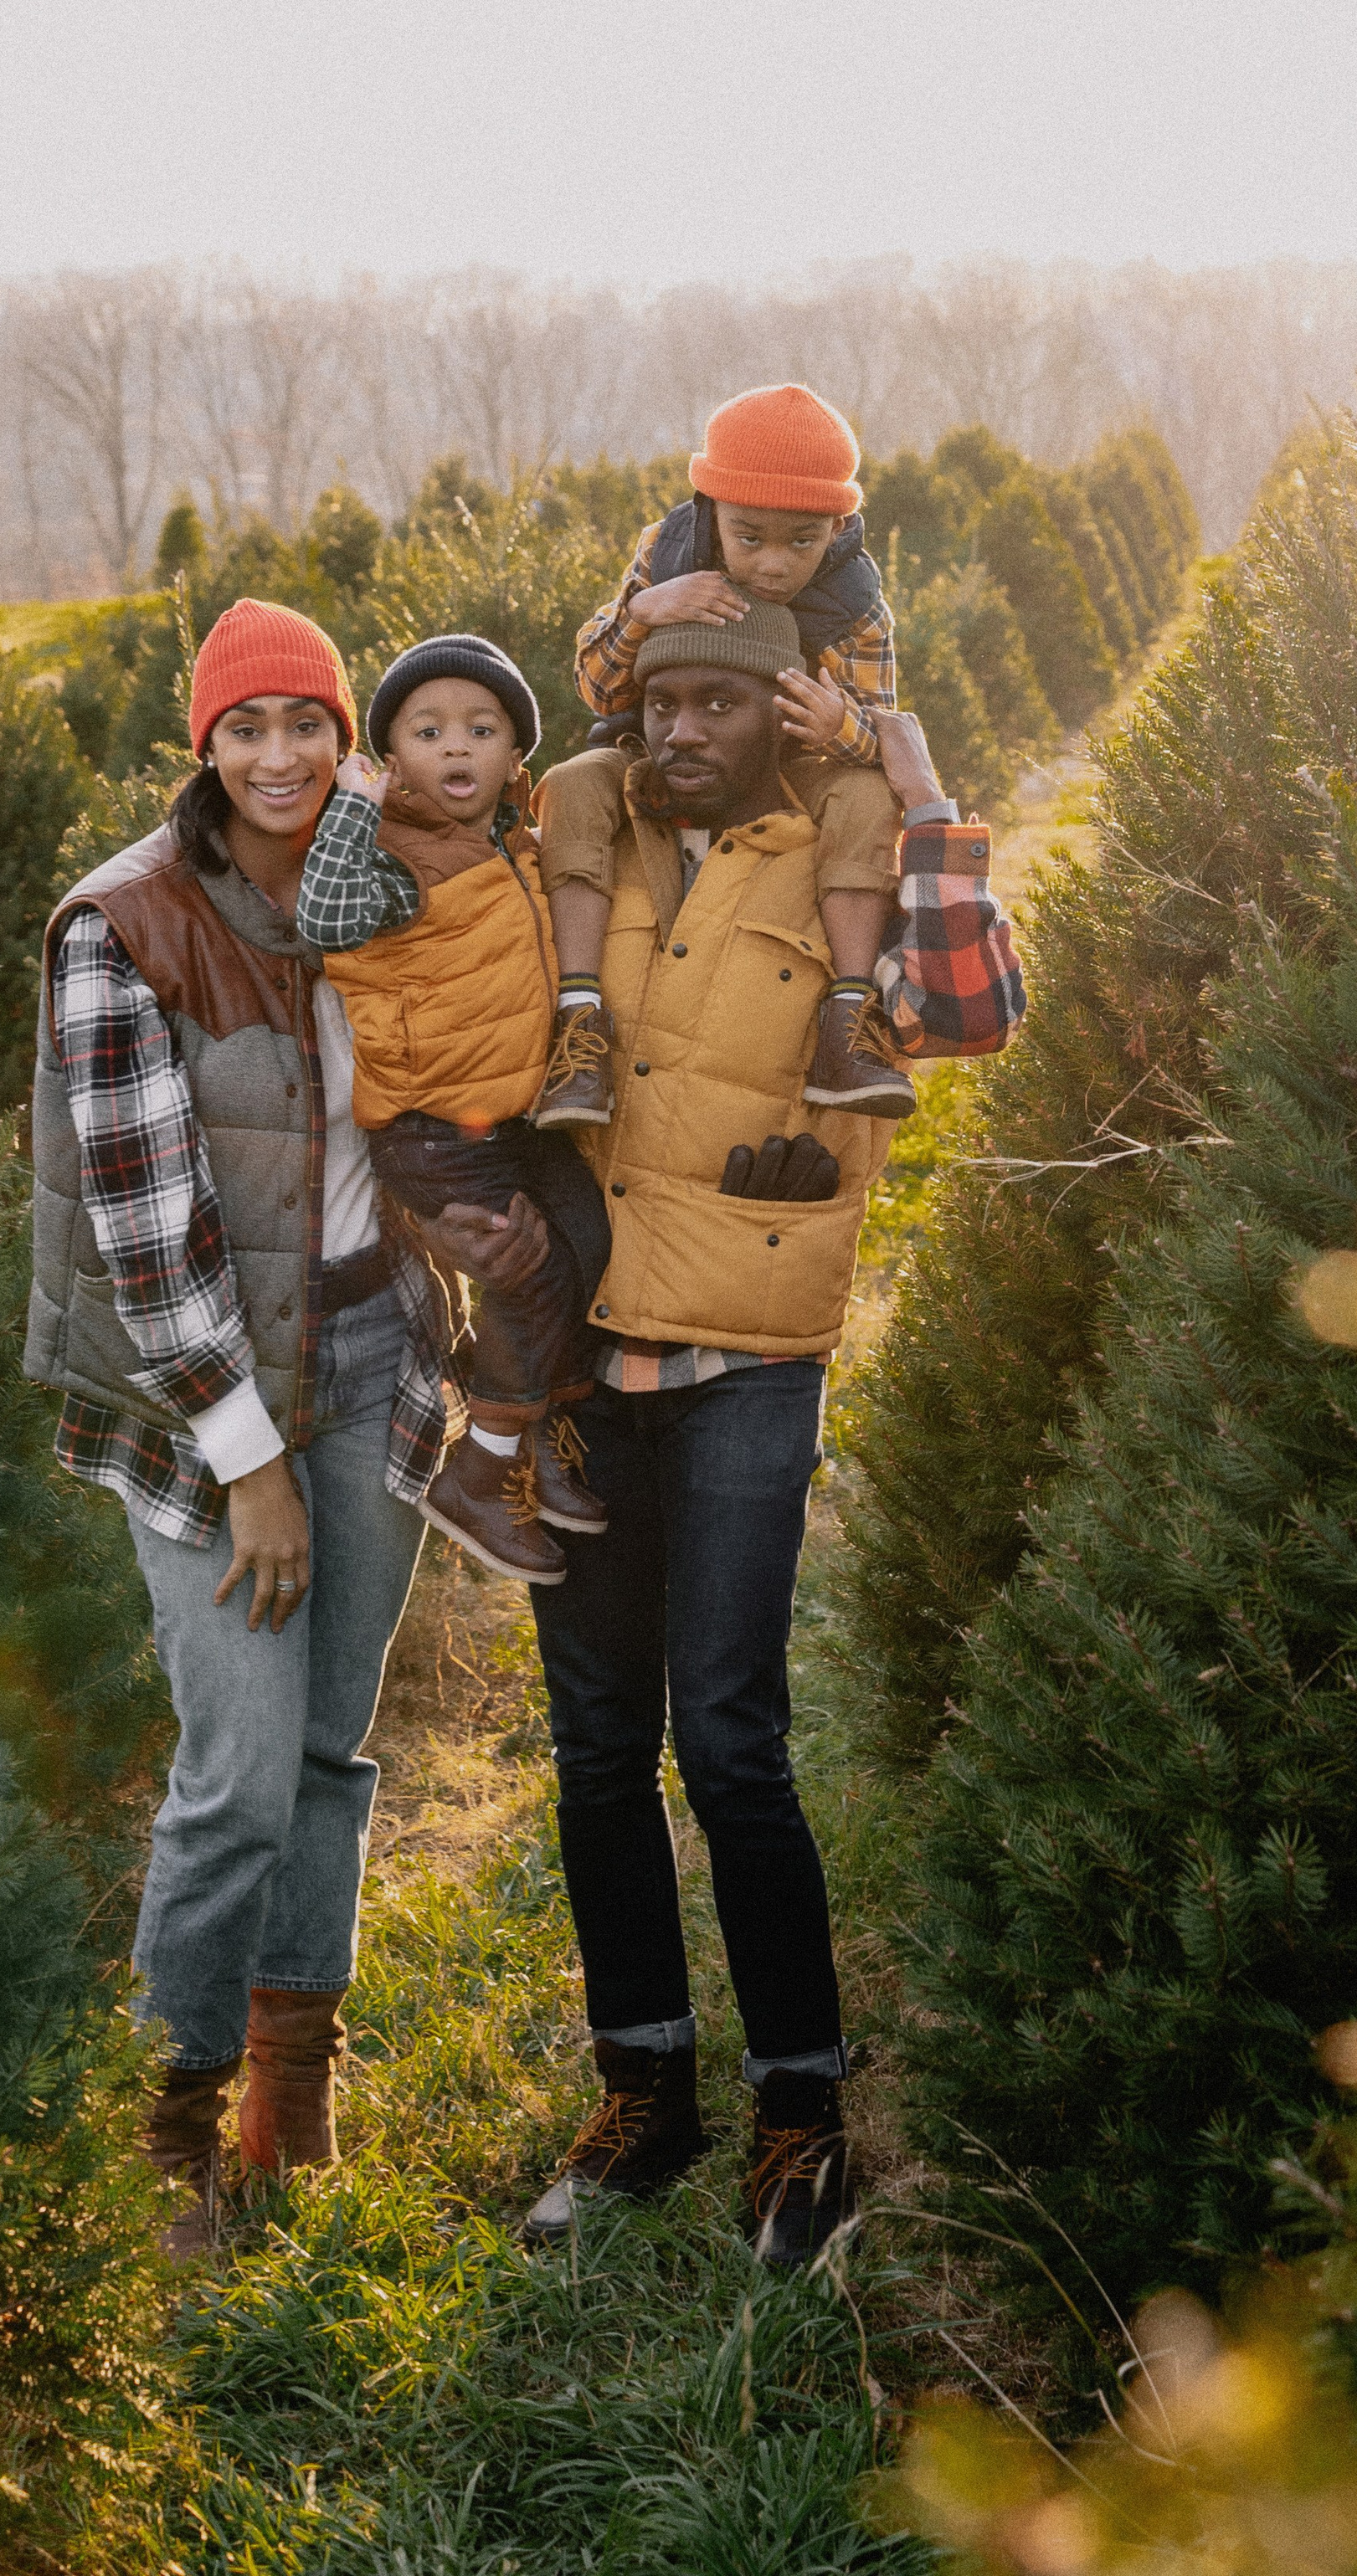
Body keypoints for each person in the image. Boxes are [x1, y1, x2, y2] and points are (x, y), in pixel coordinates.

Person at [522, 598, 1025, 2266]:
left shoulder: (842, 848)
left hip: (745, 1344)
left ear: (784, 716)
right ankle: (643, 2090)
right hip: (580, 1352)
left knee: (726, 1735)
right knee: (595, 1742)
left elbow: (967, 1011)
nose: (680, 731)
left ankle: (799, 2110)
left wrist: (918, 774)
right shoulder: (575, 848)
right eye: (659, 703)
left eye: (721, 704)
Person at [26, 597, 528, 2252]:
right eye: (245, 728)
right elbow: (141, 1234)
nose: (279, 754)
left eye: (305, 721)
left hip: (371, 1355)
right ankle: (169, 2123)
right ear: (202, 746)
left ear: (346, 733)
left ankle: (285, 2100)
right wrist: (251, 1468)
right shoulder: (127, 928)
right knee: (239, 1766)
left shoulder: (374, 874)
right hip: (198, 1408)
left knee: (328, 1745)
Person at [296, 632, 612, 1589]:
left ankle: (540, 1426)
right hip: (431, 1126)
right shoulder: (393, 849)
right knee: (530, 1269)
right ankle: (483, 1468)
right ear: (394, 756)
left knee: (590, 1237)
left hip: (508, 1113)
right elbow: (326, 916)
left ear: (518, 755)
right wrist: (351, 808)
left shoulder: (511, 840)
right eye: (429, 732)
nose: (458, 748)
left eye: (483, 729)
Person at [544, 382, 913, 1121]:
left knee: (866, 801)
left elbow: (886, 734)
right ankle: (580, 1015)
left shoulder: (857, 602)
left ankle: (849, 1013)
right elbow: (594, 686)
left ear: (838, 523)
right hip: (661, 746)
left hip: (792, 758)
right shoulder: (666, 548)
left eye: (801, 542)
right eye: (750, 538)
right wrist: (643, 612)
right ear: (712, 510)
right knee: (576, 782)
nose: (773, 565)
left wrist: (838, 721)